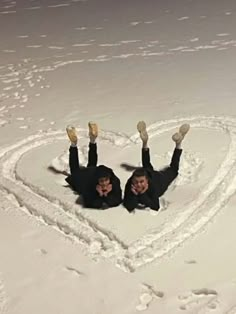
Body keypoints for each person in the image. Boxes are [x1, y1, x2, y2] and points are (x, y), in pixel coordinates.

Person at [123, 121, 190, 212]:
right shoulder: (130, 184)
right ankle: (145, 142)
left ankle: (178, 143)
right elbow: (129, 205)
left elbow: (155, 206)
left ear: (146, 181)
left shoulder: (152, 185)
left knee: (174, 170)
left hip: (160, 181)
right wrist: (135, 194)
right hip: (149, 173)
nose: (138, 184)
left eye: (141, 181)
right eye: (136, 182)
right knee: (146, 165)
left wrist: (142, 193)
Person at [65, 122, 122, 209]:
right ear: (97, 180)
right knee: (75, 171)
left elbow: (117, 200)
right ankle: (74, 144)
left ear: (109, 178)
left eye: (106, 180)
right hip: (83, 179)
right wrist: (98, 193)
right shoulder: (90, 185)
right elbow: (90, 203)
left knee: (92, 165)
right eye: (102, 181)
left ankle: (92, 140)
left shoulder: (114, 182)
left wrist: (105, 194)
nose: (104, 183)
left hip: (92, 172)